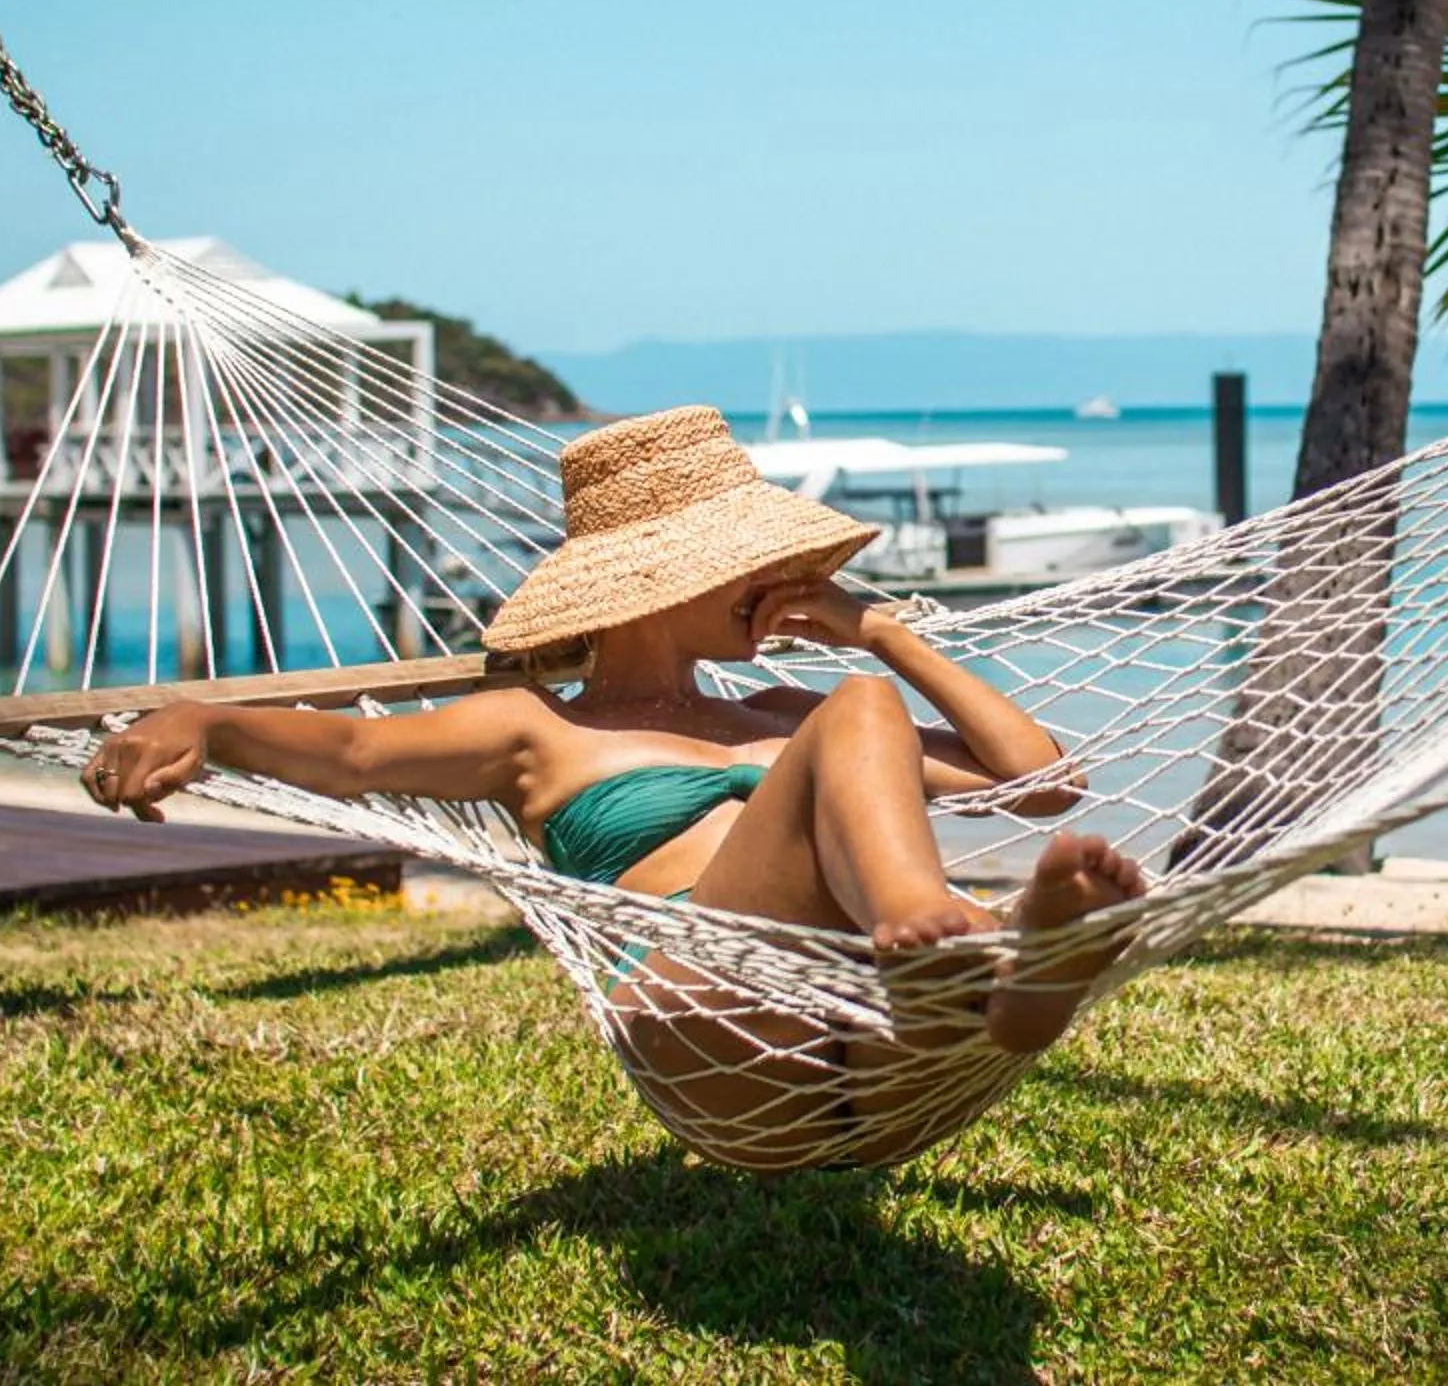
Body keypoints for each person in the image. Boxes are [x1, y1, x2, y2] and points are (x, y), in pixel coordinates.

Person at [77, 406, 1147, 1159]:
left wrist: (882, 632)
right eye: (754, 562)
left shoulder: (779, 715)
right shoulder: (539, 729)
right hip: (706, 1014)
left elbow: (1043, 785)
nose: (784, 584)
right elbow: (355, 756)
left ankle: (997, 987)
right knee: (855, 712)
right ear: (665, 578)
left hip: (873, 1044)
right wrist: (204, 719)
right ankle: (940, 935)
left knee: (855, 708)